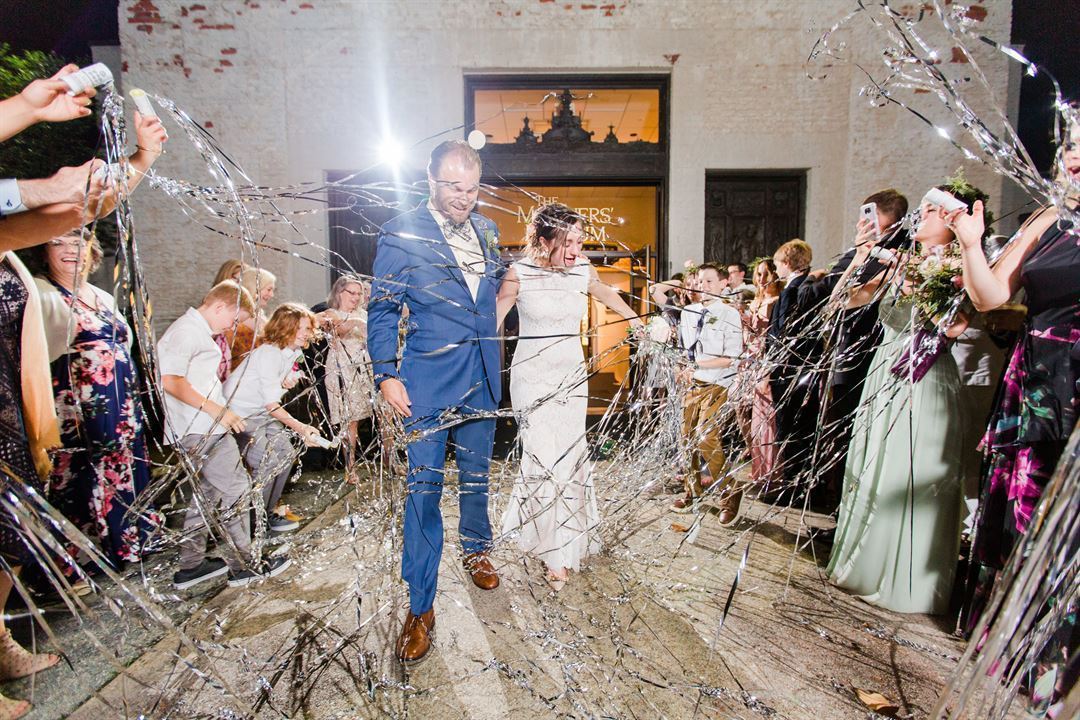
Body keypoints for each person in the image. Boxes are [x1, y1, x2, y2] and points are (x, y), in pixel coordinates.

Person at [952, 141, 1078, 711]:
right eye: (1069, 145)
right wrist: (970, 244)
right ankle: (1027, 653)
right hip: (1038, 381)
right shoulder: (1047, 217)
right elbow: (990, 295)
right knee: (1029, 523)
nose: (1074, 157)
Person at [368, 140, 503, 665]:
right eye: (453, 187)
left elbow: (489, 298)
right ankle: (421, 606)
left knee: (476, 478)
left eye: (471, 188)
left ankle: (477, 548)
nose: (464, 198)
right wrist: (386, 373)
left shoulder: (487, 230)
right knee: (423, 494)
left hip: (482, 378)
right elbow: (383, 310)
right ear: (429, 180)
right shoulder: (400, 232)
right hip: (425, 383)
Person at [827, 184, 983, 614]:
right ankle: (864, 564)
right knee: (874, 465)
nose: (920, 216)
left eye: (930, 211)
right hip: (885, 371)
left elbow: (955, 327)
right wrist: (861, 255)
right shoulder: (899, 262)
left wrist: (918, 282)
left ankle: (909, 581)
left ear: (952, 222)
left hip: (926, 376)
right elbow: (840, 302)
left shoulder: (961, 265)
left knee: (911, 471)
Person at [496, 203, 642, 589]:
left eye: (580, 241)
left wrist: (637, 321)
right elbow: (493, 319)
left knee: (569, 455)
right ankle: (553, 553)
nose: (577, 250)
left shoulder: (583, 270)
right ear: (544, 241)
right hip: (531, 379)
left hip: (571, 378)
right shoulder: (519, 274)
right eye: (568, 242)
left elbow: (605, 293)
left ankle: (566, 535)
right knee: (543, 456)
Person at [28, 230, 164, 572]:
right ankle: (85, 559)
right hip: (79, 413)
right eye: (58, 242)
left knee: (126, 469)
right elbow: (30, 357)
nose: (70, 250)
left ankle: (131, 541)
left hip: (122, 409)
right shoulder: (40, 293)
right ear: (43, 251)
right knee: (83, 478)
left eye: (79, 243)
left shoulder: (101, 295)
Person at [159, 281, 291, 590]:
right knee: (237, 489)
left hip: (203, 425)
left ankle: (191, 565)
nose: (232, 327)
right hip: (200, 427)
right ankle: (244, 564)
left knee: (209, 495)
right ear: (220, 307)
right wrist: (220, 412)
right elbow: (171, 381)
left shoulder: (197, 331)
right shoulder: (186, 332)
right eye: (234, 319)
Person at [813, 189, 910, 511]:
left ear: (884, 218)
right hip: (845, 350)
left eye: (867, 216)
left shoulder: (902, 253)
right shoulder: (862, 252)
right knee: (838, 432)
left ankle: (847, 508)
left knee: (855, 434)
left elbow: (857, 297)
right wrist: (859, 255)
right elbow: (835, 296)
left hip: (873, 353)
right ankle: (839, 508)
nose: (861, 223)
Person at [224, 303, 321, 535]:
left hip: (261, 412)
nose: (306, 334)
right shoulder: (268, 354)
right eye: (300, 328)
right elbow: (272, 405)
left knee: (286, 454)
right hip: (241, 414)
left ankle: (267, 514)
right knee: (266, 463)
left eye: (308, 328)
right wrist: (301, 428)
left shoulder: (292, 352)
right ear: (284, 328)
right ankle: (252, 524)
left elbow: (276, 387)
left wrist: (289, 379)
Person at [671, 263, 744, 522]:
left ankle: (729, 490)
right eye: (701, 281)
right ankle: (692, 491)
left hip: (718, 382)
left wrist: (698, 366)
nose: (703, 286)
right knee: (686, 438)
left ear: (723, 284)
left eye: (710, 281)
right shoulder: (689, 312)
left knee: (705, 436)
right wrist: (682, 368)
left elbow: (731, 357)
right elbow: (684, 349)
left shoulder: (729, 314)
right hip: (693, 384)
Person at [767, 239, 815, 489]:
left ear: (787, 262)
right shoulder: (802, 285)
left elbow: (783, 332)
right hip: (794, 369)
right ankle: (793, 480)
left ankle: (794, 484)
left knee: (791, 427)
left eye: (777, 264)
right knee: (793, 426)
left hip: (789, 370)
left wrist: (769, 364)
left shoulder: (795, 289)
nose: (776, 270)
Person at [323, 275, 374, 483]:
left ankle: (390, 459)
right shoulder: (331, 313)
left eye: (359, 293)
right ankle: (350, 467)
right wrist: (355, 321)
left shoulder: (365, 314)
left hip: (365, 368)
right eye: (351, 293)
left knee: (380, 414)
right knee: (350, 420)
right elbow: (340, 329)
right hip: (342, 370)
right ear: (339, 293)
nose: (355, 297)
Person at [739, 259, 781, 489]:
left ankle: (771, 471)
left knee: (766, 418)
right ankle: (759, 467)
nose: (761, 279)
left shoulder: (776, 301)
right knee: (751, 417)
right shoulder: (757, 300)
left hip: (765, 360)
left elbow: (772, 336)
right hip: (750, 360)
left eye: (766, 274)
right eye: (758, 274)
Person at [227, 266, 276, 372]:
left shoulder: (258, 314)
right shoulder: (241, 314)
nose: (272, 295)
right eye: (268, 289)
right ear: (254, 287)